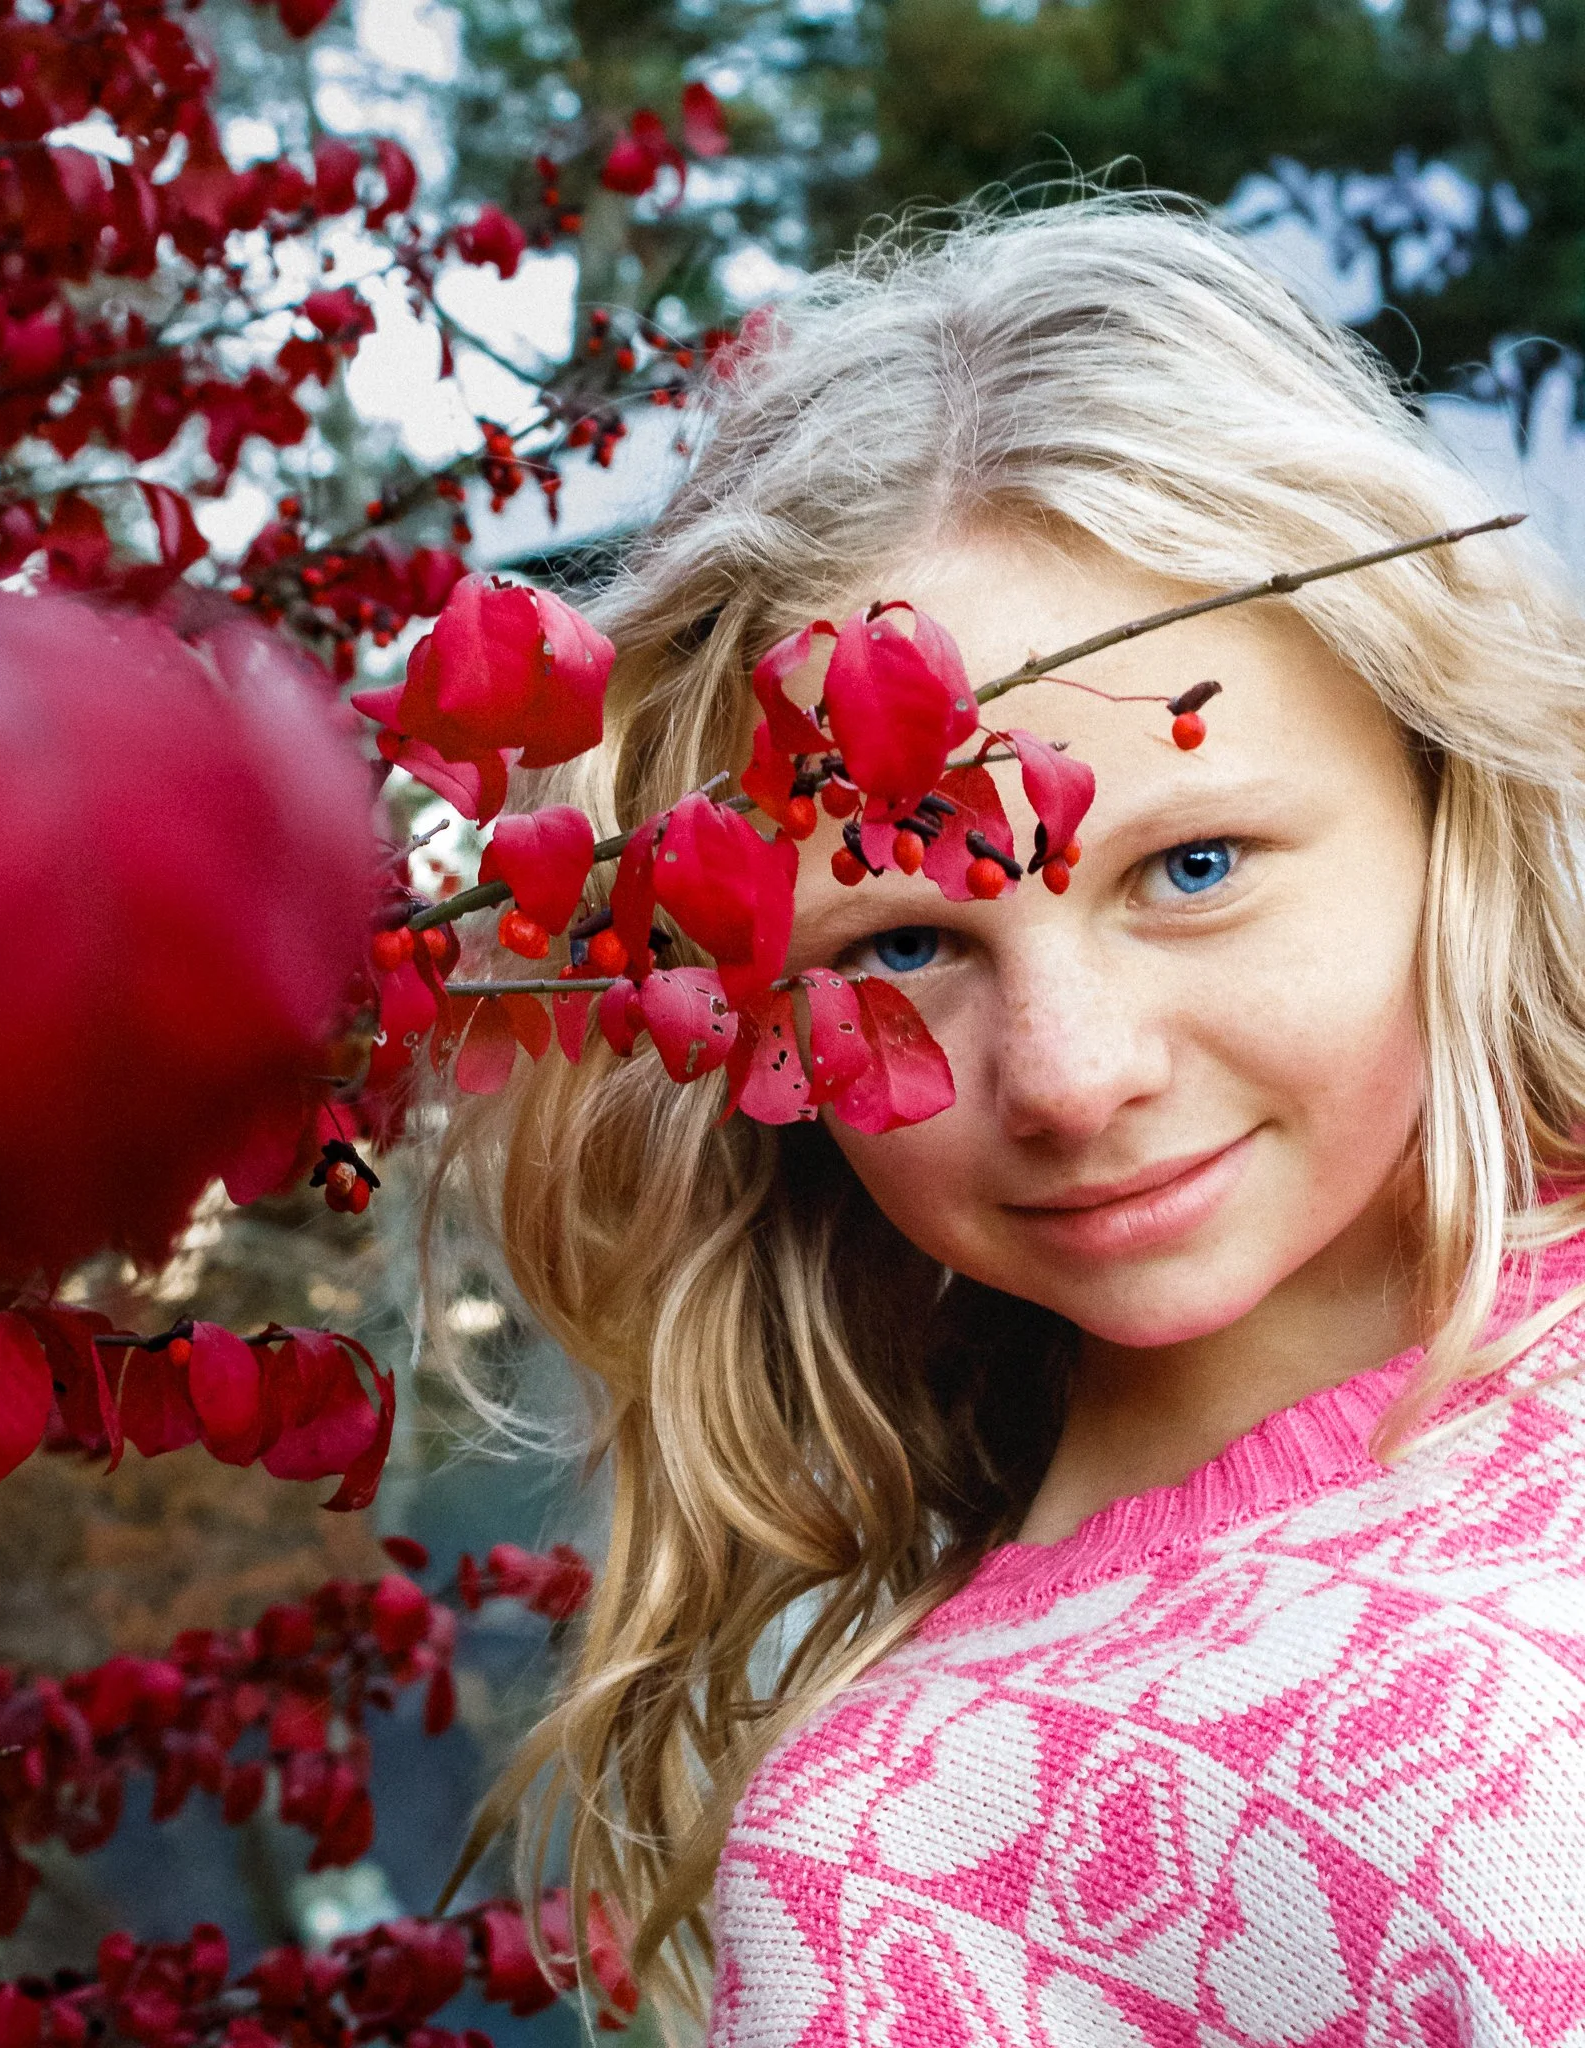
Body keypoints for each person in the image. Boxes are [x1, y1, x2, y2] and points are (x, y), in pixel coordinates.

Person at [443, 191, 1585, 2044]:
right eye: (901, 941)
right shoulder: (913, 1853)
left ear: (1445, 797)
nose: (1069, 1075)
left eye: (1193, 865)